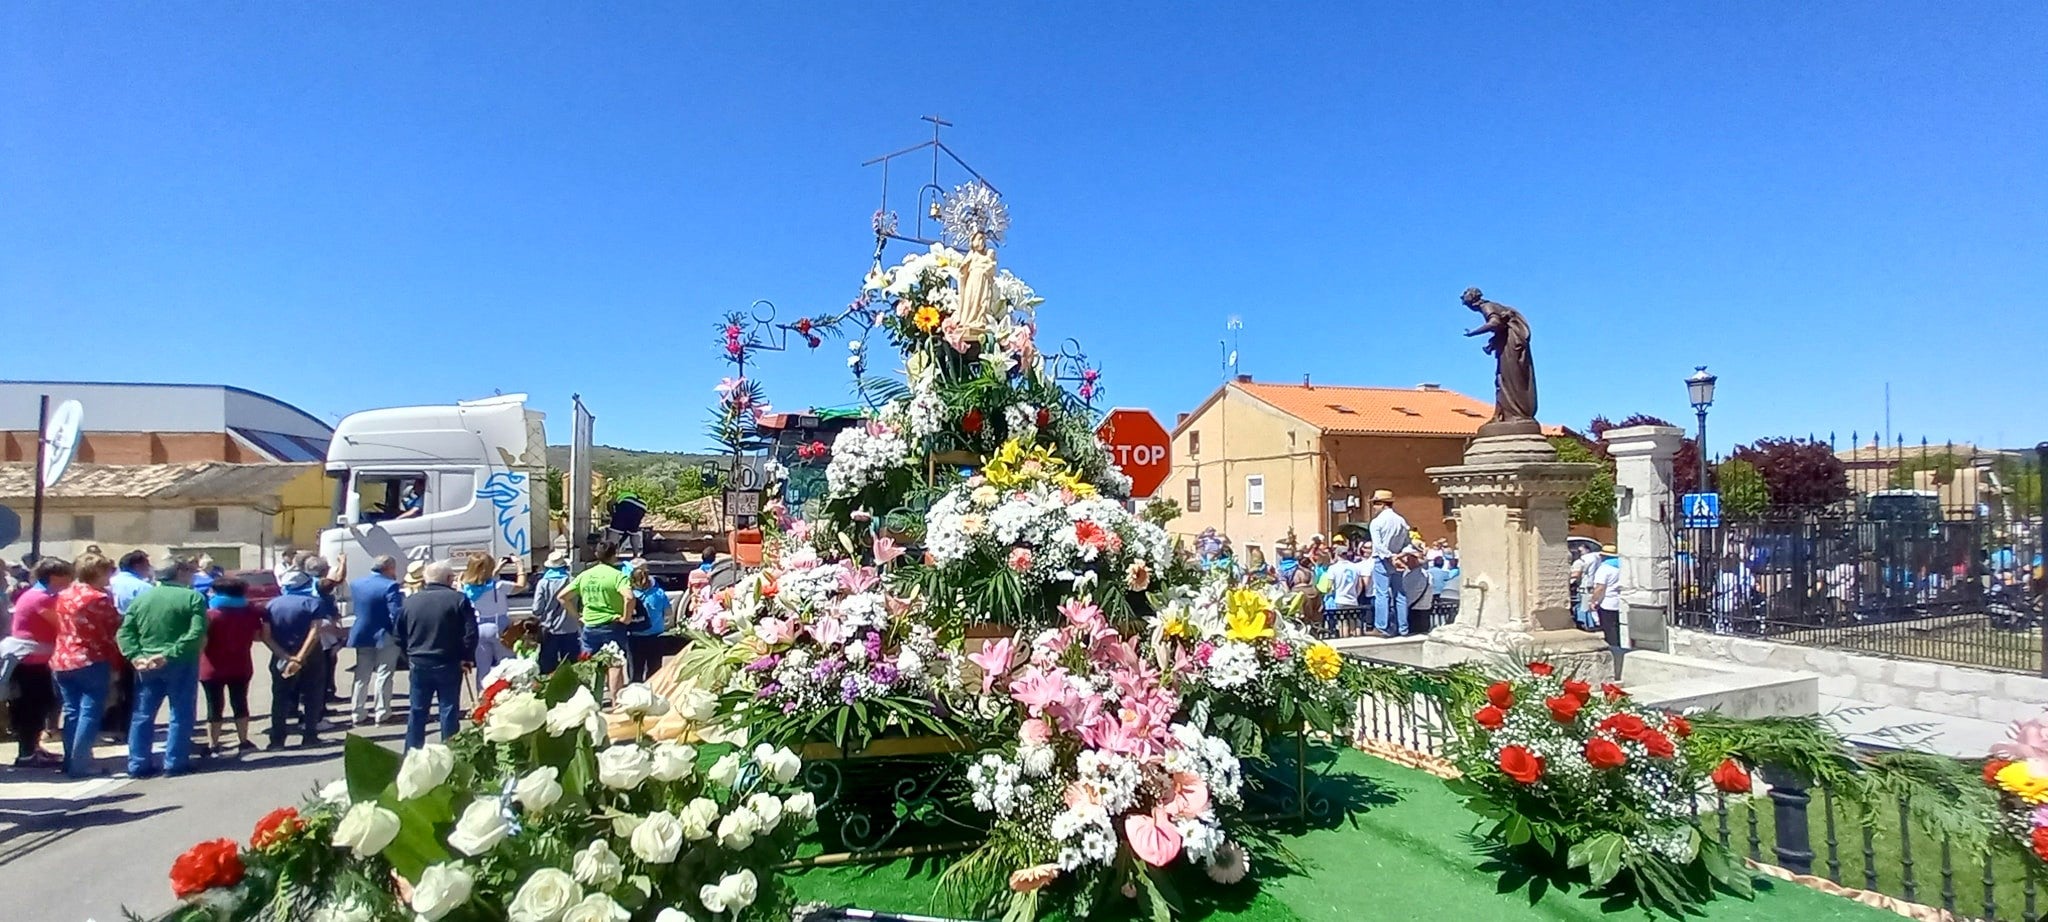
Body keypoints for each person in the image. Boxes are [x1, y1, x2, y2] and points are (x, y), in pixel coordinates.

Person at [115, 559, 208, 777]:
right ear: (180, 573)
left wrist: (135, 655)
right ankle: (175, 762)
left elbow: (125, 632)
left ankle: (138, 764)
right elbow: (196, 633)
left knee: (143, 714)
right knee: (181, 712)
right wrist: (169, 654)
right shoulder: (193, 597)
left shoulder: (142, 599)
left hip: (146, 662)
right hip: (180, 660)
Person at [51, 554, 122, 777]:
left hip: (62, 658)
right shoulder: (98, 598)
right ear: (97, 573)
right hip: (90, 658)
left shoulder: (64, 594)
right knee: (90, 713)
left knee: (72, 712)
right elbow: (110, 628)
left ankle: (70, 761)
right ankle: (81, 764)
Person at [396, 560, 478, 750]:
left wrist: (408, 656)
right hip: (449, 661)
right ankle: (450, 752)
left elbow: (398, 634)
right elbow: (470, 632)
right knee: (448, 709)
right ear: (449, 579)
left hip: (419, 660)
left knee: (417, 710)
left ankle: (412, 752)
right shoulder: (458, 599)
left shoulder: (409, 602)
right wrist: (466, 657)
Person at [264, 562, 339, 749]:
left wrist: (285, 656)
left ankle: (277, 740)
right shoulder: (313, 603)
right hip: (311, 655)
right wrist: (301, 656)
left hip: (281, 654)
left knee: (280, 697)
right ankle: (310, 735)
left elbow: (265, 635)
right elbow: (315, 632)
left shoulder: (271, 604)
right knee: (312, 695)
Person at [8, 558, 74, 768]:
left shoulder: (39, 595)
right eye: (66, 576)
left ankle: (33, 748)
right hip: (32, 661)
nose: (70, 581)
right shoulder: (41, 598)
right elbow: (63, 624)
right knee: (32, 707)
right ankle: (27, 753)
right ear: (54, 577)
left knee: (38, 705)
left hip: (35, 659)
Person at [559, 541, 636, 702]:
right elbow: (629, 597)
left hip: (590, 626)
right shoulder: (618, 576)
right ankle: (615, 701)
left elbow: (562, 597)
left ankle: (589, 700)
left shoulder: (585, 575)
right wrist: (626, 618)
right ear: (614, 555)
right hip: (612, 625)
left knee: (588, 665)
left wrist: (577, 616)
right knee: (614, 664)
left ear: (597, 555)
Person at [198, 576, 263, 754]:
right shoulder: (250, 612)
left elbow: (202, 642)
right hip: (241, 664)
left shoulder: (210, 615)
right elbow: (258, 636)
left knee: (214, 706)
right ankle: (243, 741)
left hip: (211, 666)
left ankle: (213, 745)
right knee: (240, 702)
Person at [346, 555, 406, 727]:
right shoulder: (390, 585)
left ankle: (357, 712)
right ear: (389, 568)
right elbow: (395, 613)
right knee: (384, 673)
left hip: (362, 632)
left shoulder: (356, 584)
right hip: (384, 633)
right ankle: (382, 712)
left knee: (361, 674)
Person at [458, 552, 528, 698]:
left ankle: (483, 699)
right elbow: (521, 585)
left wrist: (496, 570)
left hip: (478, 628)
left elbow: (483, 582)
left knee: (483, 668)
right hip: (498, 626)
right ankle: (508, 696)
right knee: (506, 665)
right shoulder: (499, 586)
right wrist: (519, 566)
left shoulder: (465, 587)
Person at [1366, 490, 1412, 637]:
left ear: (1382, 504)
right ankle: (1403, 628)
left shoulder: (1377, 522)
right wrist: (1399, 556)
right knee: (1400, 594)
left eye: (1375, 504)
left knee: (1382, 594)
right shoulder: (1401, 521)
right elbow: (1408, 543)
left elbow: (1378, 545)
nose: (1373, 507)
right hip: (1397, 559)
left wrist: (1390, 556)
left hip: (1383, 559)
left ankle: (1381, 627)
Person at [530, 550, 578, 673]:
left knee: (547, 667)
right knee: (571, 667)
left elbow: (537, 610)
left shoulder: (543, 583)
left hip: (549, 629)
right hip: (570, 628)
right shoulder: (572, 581)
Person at [626, 564, 671, 684]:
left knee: (635, 671)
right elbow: (668, 612)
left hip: (635, 636)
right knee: (654, 671)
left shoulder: (630, 595)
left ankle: (635, 697)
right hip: (656, 636)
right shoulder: (659, 593)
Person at [1586, 545, 1625, 647]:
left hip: (1607, 602)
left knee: (1609, 629)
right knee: (1618, 628)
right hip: (1619, 600)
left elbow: (1600, 587)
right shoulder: (1622, 567)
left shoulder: (1604, 569)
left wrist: (1593, 601)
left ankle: (1613, 649)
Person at [110, 550, 154, 614]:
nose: (149, 567)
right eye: (147, 565)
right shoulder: (143, 587)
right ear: (138, 566)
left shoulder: (109, 582)